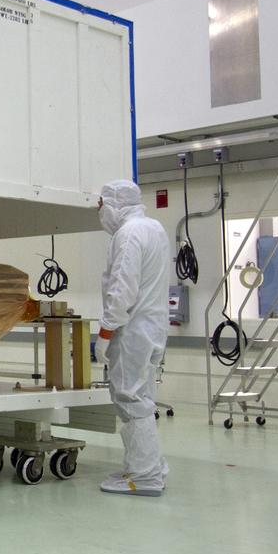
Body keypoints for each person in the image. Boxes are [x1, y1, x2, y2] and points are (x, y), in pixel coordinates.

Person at [95, 179, 170, 497]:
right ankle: (150, 466)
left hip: (132, 330)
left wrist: (106, 331)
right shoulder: (155, 228)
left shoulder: (128, 235)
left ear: (113, 204)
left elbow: (122, 287)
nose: (100, 213)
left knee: (130, 400)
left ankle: (144, 476)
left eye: (101, 206)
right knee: (142, 398)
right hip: (153, 328)